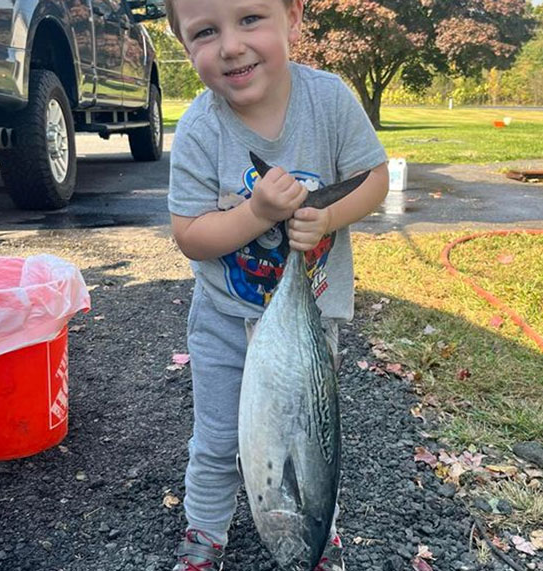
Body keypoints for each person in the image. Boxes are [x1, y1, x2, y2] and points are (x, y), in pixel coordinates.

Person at [165, 0, 389, 568]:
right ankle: (205, 534)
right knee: (218, 441)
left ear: (292, 18)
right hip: (224, 319)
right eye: (205, 32)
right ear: (184, 45)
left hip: (310, 315)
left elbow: (374, 178)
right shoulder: (199, 127)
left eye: (250, 20)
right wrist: (260, 213)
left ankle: (317, 534)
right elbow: (191, 235)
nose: (231, 45)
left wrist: (328, 218)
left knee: (313, 439)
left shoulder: (329, 100)